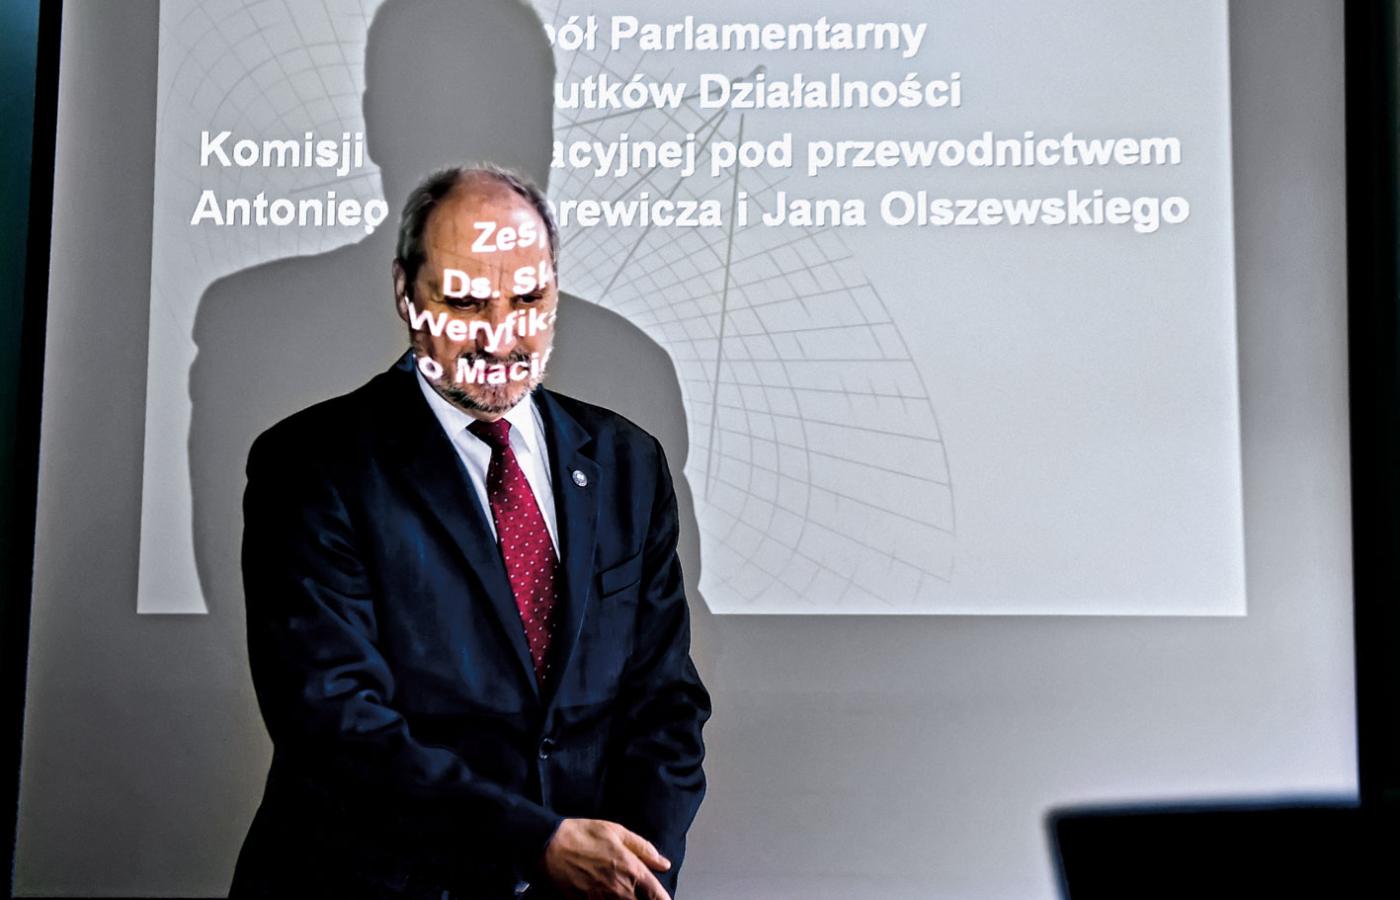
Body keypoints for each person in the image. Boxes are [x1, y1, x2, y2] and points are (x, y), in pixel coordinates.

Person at [228, 165, 711, 900]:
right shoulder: (311, 464)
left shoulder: (627, 461)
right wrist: (538, 844)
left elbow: (666, 704)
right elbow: (334, 721)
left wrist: (635, 870)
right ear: (405, 292)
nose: (499, 334)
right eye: (464, 301)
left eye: (529, 299)